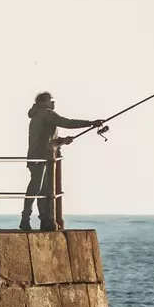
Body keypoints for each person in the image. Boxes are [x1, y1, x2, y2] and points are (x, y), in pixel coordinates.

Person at [21, 92, 104, 230]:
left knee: (41, 190)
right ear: (42, 102)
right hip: (41, 157)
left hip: (38, 156)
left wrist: (62, 141)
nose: (54, 103)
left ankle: (42, 221)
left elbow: (46, 139)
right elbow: (67, 122)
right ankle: (27, 219)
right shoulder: (46, 113)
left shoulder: (38, 114)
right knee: (37, 188)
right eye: (51, 100)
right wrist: (90, 123)